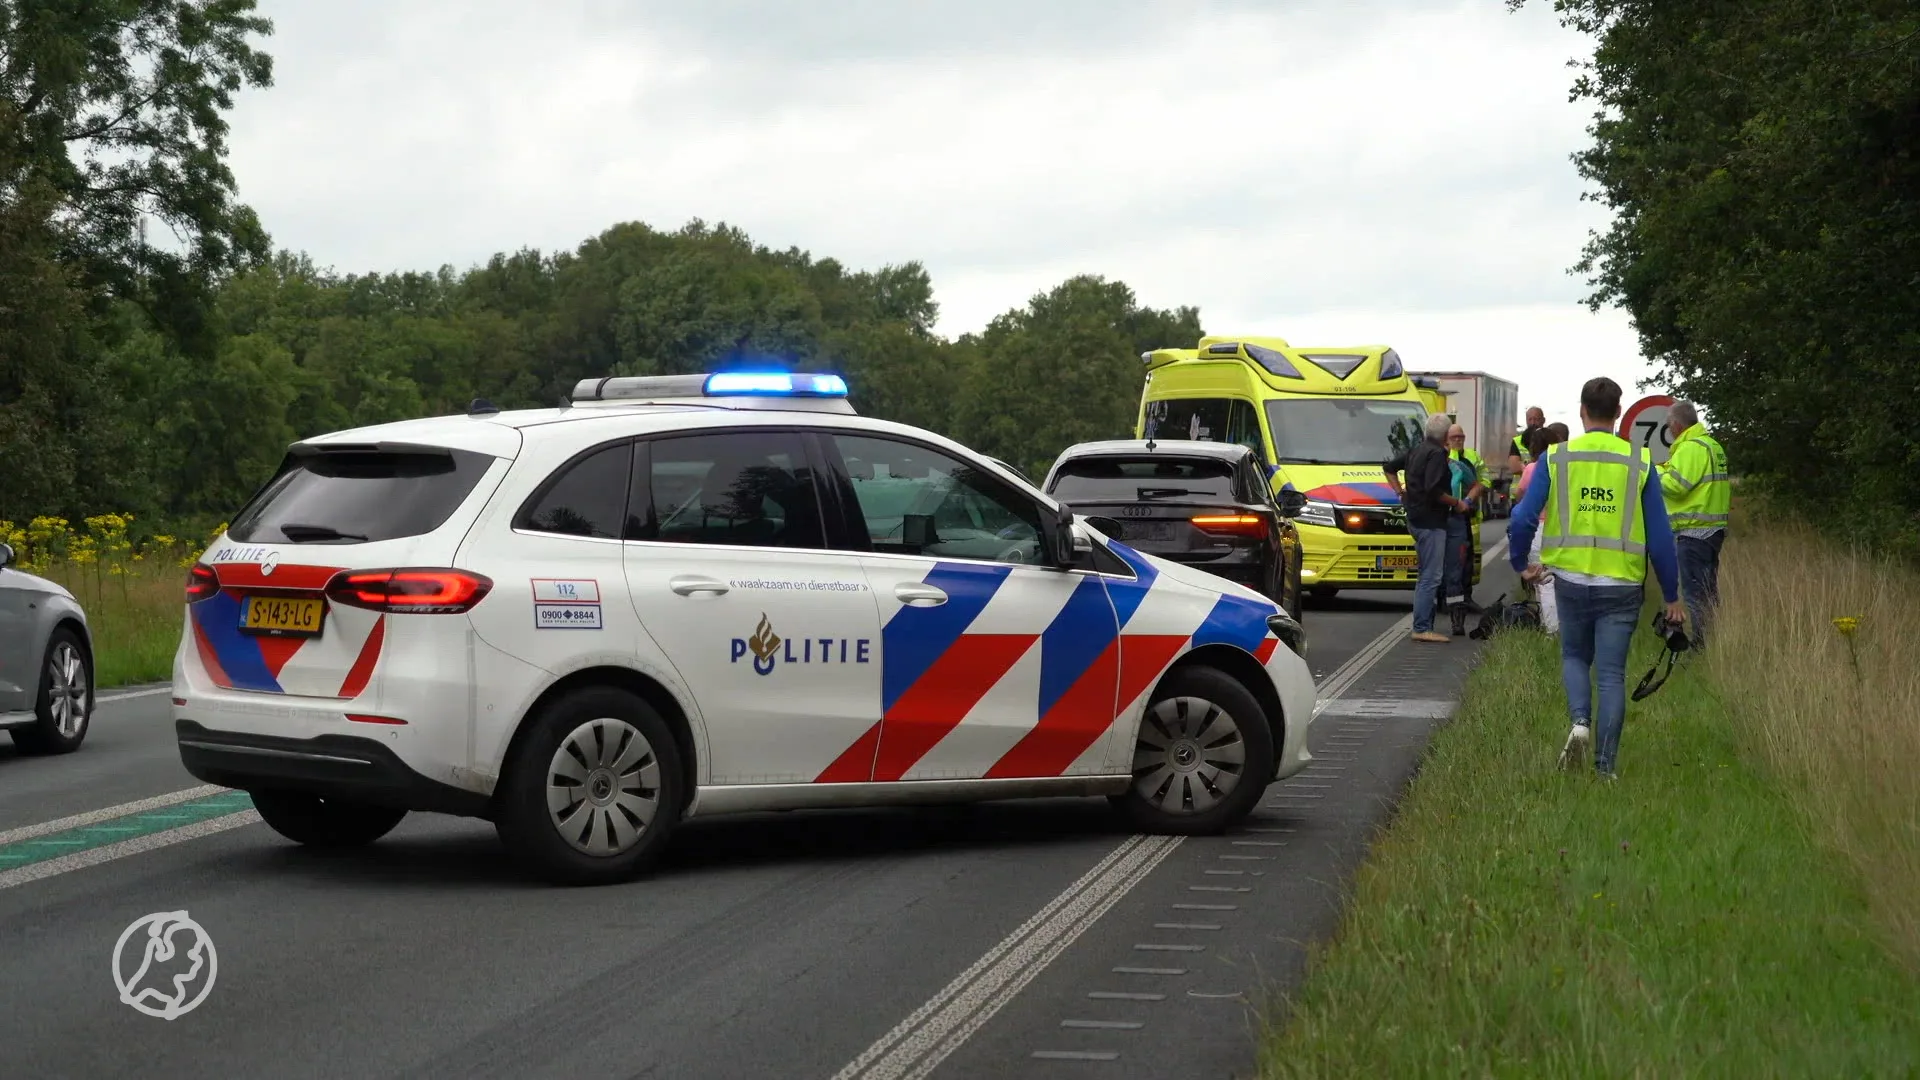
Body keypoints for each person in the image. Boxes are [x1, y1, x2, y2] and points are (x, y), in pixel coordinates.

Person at [1508, 377, 1685, 780]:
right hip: (1622, 584)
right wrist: (1672, 596)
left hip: (1570, 580)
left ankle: (1580, 723)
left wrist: (1521, 563)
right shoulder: (1639, 463)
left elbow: (1520, 518)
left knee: (1574, 656)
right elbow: (1660, 537)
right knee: (1610, 675)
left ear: (1582, 411)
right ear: (1619, 414)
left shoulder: (1557, 458)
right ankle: (1605, 769)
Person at [1384, 414, 1470, 643]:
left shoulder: (1416, 450)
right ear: (1444, 435)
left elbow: (1389, 467)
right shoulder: (1436, 455)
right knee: (1431, 576)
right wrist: (1456, 503)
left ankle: (1423, 624)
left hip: (1415, 518)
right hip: (1431, 521)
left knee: (1425, 574)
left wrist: (1400, 493)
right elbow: (1433, 490)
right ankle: (1422, 627)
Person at [1657, 401, 1730, 647]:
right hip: (1713, 530)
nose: (1669, 429)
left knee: (1695, 592)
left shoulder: (1689, 448)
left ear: (1676, 425)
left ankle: (1701, 645)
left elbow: (1677, 486)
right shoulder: (1712, 445)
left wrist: (1655, 474)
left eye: (1668, 425)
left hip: (1694, 530)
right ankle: (1715, 639)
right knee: (1709, 589)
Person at [1511, 426, 1562, 633]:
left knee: (1542, 580)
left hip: (1539, 527)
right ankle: (1558, 625)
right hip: (1560, 527)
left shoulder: (1532, 468)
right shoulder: (1561, 467)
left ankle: (1551, 629)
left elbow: (1520, 494)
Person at [1444, 424, 1485, 634]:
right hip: (1433, 522)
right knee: (1432, 572)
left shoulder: (1461, 463)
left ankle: (1457, 619)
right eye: (1454, 437)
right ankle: (1424, 620)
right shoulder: (1425, 461)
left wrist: (1466, 501)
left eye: (1461, 436)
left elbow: (1478, 483)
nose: (1458, 440)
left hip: (1458, 520)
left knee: (1457, 571)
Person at [1509, 405, 1546, 477]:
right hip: (1521, 487)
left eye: (1536, 419)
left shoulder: (1549, 438)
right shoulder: (1517, 441)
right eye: (1530, 419)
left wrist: (1525, 465)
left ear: (1543, 420)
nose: (1533, 423)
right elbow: (1514, 468)